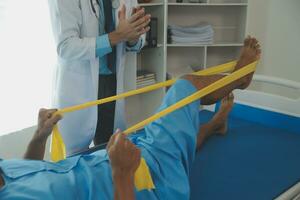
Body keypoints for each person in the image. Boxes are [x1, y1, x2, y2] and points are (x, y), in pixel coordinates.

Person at [0, 37, 261, 199]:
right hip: (145, 182)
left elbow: (28, 171)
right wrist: (122, 173)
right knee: (184, 87)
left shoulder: (3, 172)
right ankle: (240, 78)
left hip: (116, 156)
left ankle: (216, 125)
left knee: (169, 139)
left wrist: (39, 137)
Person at [48, 0, 151, 156]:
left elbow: (136, 37)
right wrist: (117, 36)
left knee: (111, 155)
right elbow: (66, 45)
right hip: (79, 87)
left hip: (113, 83)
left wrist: (133, 38)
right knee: (73, 161)